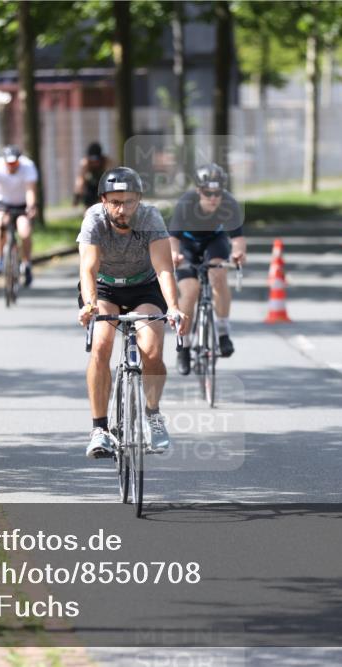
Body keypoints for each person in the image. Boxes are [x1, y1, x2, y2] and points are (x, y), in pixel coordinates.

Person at [77, 167, 187, 459]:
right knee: (101, 344)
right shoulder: (94, 219)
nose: (122, 209)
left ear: (139, 199)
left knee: (151, 349)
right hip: (104, 289)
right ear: (103, 200)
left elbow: (164, 269)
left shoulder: (150, 218)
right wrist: (89, 304)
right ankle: (99, 429)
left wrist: (174, 307)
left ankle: (153, 415)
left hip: (144, 287)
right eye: (115, 202)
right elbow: (88, 268)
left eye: (128, 202)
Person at [168, 163, 245, 373]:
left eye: (217, 193)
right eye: (207, 193)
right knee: (191, 291)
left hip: (214, 241)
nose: (213, 197)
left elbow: (237, 239)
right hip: (187, 244)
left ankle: (223, 332)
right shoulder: (186, 203)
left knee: (218, 275)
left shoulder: (229, 203)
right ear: (198, 190)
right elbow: (173, 238)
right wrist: (174, 255)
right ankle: (184, 346)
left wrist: (238, 253)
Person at [0, 145, 37, 286]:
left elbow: (30, 190)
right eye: (9, 163)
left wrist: (31, 206)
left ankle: (27, 264)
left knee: (24, 231)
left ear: (19, 160)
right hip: (3, 203)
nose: (12, 166)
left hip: (22, 204)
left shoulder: (28, 166)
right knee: (0, 223)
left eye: (15, 163)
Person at [73, 142, 112, 207]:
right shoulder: (85, 163)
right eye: (92, 160)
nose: (94, 163)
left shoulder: (106, 162)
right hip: (90, 187)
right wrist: (77, 197)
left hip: (102, 185)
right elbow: (80, 180)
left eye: (97, 160)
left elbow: (111, 179)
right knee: (88, 198)